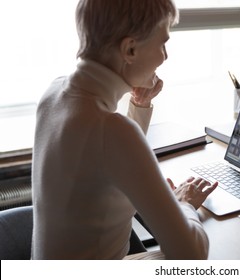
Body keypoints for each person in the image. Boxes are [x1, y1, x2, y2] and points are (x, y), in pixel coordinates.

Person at [31, 0, 217, 260]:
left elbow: (110, 161)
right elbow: (192, 253)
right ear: (130, 49)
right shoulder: (112, 131)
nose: (165, 56)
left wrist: (139, 105)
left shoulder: (53, 93)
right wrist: (184, 204)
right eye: (162, 43)